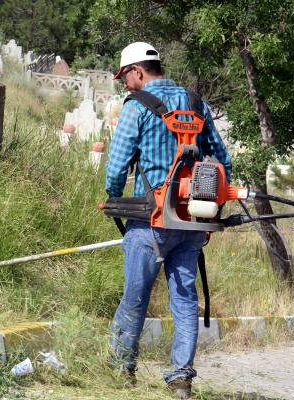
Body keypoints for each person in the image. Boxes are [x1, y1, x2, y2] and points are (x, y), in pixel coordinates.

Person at [105, 42, 232, 399]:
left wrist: (114, 199)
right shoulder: (195, 103)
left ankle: (121, 369)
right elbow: (222, 160)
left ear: (138, 71)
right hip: (191, 222)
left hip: (150, 222)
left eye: (125, 76)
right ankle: (180, 380)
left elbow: (116, 168)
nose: (125, 83)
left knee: (135, 297)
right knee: (185, 301)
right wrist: (211, 207)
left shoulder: (136, 106)